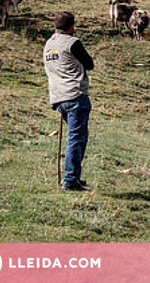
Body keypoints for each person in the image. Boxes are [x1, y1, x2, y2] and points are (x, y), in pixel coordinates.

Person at [43, 12, 94, 192]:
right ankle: (71, 180)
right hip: (75, 96)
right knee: (76, 138)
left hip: (58, 97)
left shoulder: (49, 44)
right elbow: (89, 64)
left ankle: (73, 174)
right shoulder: (73, 42)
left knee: (78, 136)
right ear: (71, 27)